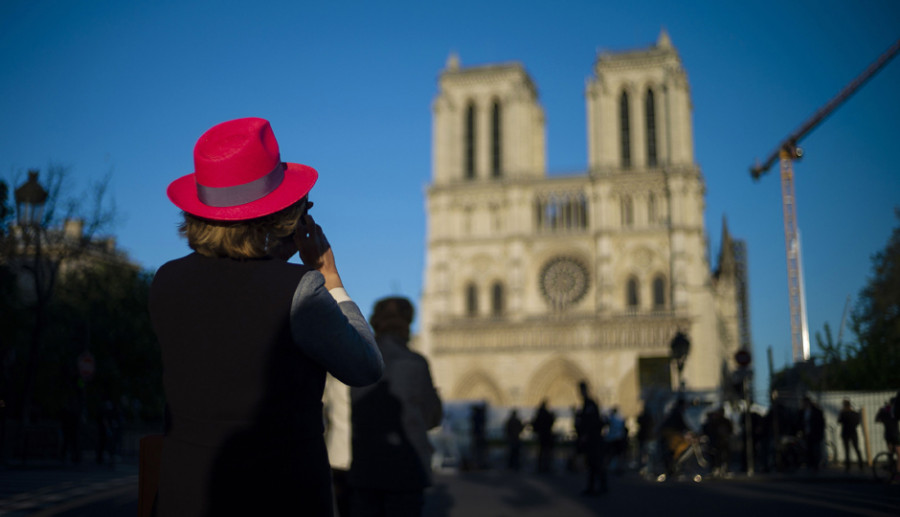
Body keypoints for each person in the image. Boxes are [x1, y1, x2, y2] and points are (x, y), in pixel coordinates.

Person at [150, 117, 383, 516]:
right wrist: (329, 277)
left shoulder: (166, 281)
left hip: (185, 495)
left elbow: (233, 303)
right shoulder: (301, 290)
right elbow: (365, 365)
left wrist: (274, 260)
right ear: (280, 215)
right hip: (279, 495)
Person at [349, 297, 442, 517]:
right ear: (407, 323)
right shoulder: (416, 362)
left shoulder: (359, 359)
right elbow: (432, 417)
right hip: (406, 472)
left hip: (365, 471)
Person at [577, 381, 608, 495]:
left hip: (593, 438)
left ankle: (601, 486)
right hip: (591, 438)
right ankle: (592, 487)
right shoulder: (587, 403)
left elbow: (592, 422)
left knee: (596, 463)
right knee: (592, 463)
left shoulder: (590, 404)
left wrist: (585, 435)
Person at [837, 399, 864, 472]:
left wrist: (841, 413)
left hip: (845, 432)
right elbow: (857, 422)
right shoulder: (854, 413)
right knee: (856, 448)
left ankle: (848, 466)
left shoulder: (843, 413)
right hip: (853, 432)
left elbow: (839, 421)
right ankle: (861, 464)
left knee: (847, 450)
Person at [801, 395, 825, 472]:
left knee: (815, 450)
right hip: (807, 433)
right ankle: (811, 465)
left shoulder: (816, 412)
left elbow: (821, 424)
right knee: (809, 449)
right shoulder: (803, 412)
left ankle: (815, 465)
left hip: (814, 434)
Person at [532, 400, 556, 473]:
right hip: (546, 435)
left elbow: (535, 424)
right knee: (547, 452)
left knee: (542, 452)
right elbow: (551, 422)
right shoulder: (546, 414)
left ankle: (540, 467)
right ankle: (546, 467)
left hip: (541, 435)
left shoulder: (539, 414)